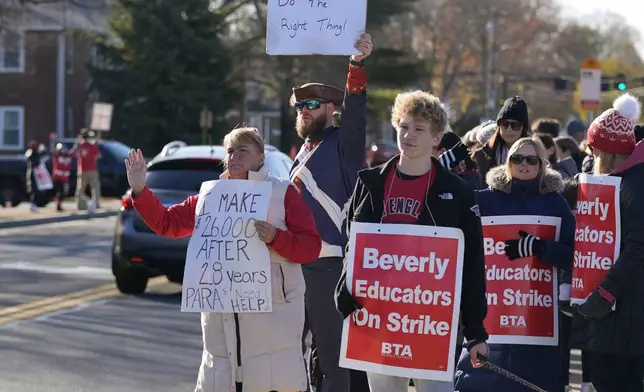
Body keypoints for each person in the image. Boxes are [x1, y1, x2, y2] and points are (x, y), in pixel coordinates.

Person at [125, 127, 322, 392]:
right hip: (222, 329)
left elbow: (311, 247)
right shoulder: (210, 196)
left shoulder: (281, 192)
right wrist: (140, 190)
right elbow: (167, 223)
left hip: (274, 324)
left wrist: (277, 237)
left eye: (243, 150)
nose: (235, 156)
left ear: (260, 157)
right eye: (230, 151)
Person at [335, 90, 489, 392]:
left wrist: (475, 331)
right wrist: (344, 285)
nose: (409, 135)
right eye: (404, 126)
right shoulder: (370, 183)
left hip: (432, 323)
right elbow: (353, 245)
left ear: (436, 138)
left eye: (419, 129)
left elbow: (472, 264)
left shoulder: (457, 193)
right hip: (377, 317)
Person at [454, 136, 575, 392]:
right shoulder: (485, 200)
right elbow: (457, 232)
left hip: (536, 320)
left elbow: (574, 254)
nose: (524, 164)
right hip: (492, 314)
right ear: (508, 163)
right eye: (517, 158)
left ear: (542, 165)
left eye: (531, 159)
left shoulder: (555, 204)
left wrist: (542, 248)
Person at [289, 33, 372, 392]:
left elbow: (356, 111)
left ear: (328, 109)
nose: (303, 110)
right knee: (301, 354)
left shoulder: (344, 144)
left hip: (329, 266)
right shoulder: (303, 149)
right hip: (294, 265)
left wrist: (355, 65)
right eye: (299, 106)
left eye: (310, 104)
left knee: (335, 357)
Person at [572, 93, 644, 392]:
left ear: (606, 150)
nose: (590, 156)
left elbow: (637, 250)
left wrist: (603, 293)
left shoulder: (633, 186)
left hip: (625, 320)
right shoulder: (622, 180)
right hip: (619, 317)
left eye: (593, 149)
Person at [472, 96, 530, 184]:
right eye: (504, 124)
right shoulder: (481, 155)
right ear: (498, 126)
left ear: (523, 128)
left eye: (515, 125)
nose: (509, 129)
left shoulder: (534, 157)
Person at [75, 129, 101, 212]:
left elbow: (76, 154)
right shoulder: (92, 146)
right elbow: (98, 156)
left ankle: (79, 204)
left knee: (80, 188)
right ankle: (96, 203)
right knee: (95, 187)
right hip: (92, 169)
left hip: (82, 169)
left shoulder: (79, 146)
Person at [25, 140, 49, 212]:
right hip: (33, 173)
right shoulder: (32, 153)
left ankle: (34, 205)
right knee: (34, 190)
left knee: (35, 190)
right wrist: (42, 150)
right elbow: (37, 161)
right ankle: (33, 205)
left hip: (34, 173)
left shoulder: (32, 153)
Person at [52, 143, 73, 212]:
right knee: (59, 192)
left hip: (65, 178)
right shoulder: (56, 157)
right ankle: (58, 205)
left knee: (64, 192)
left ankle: (59, 204)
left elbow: (72, 151)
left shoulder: (68, 156)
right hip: (58, 177)